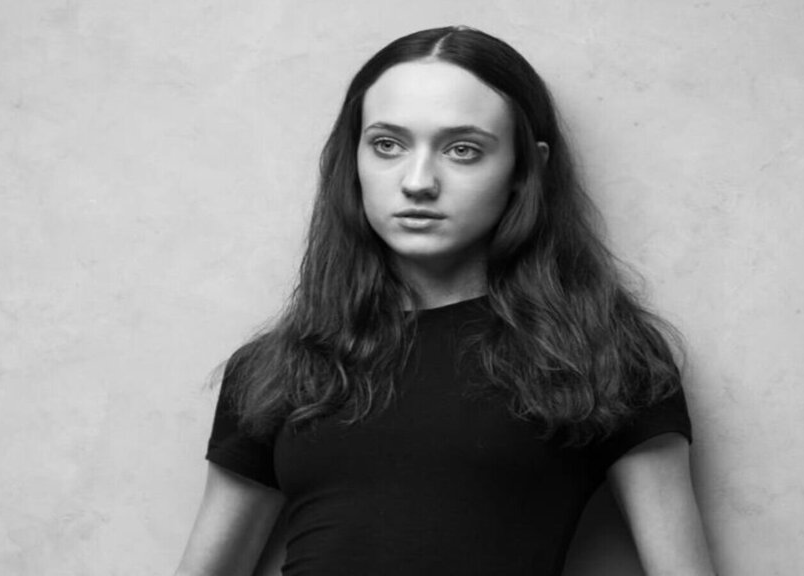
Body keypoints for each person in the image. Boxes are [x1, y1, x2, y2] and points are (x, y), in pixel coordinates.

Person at [175, 25, 715, 576]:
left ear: (526, 169)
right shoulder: (274, 368)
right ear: (353, 159)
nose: (417, 182)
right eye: (387, 145)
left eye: (462, 150)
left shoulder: (603, 353)